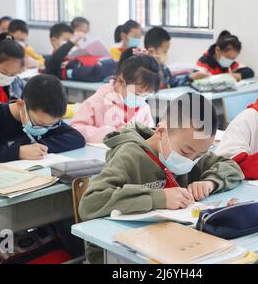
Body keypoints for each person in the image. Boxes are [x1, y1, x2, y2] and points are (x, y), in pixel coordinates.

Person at [79, 92, 244, 263]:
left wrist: (210, 183)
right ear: (161, 131)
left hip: (169, 245)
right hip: (118, 253)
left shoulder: (194, 149)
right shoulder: (129, 155)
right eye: (185, 152)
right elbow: (90, 203)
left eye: (199, 155)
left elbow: (232, 167)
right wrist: (159, 197)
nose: (190, 160)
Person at [0, 74, 86, 166]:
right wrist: (18, 152)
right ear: (21, 105)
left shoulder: (47, 118)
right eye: (40, 124)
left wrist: (39, 149)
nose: (45, 129)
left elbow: (77, 138)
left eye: (52, 125)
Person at [71, 53, 159, 143]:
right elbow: (76, 129)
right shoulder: (97, 102)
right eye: (137, 94)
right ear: (121, 81)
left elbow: (149, 135)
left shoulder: (143, 107)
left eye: (146, 95)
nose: (140, 99)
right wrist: (112, 133)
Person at [45, 23, 116, 82]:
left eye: (71, 40)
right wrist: (73, 41)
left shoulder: (71, 58)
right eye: (67, 40)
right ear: (54, 40)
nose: (70, 44)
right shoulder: (50, 60)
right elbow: (56, 58)